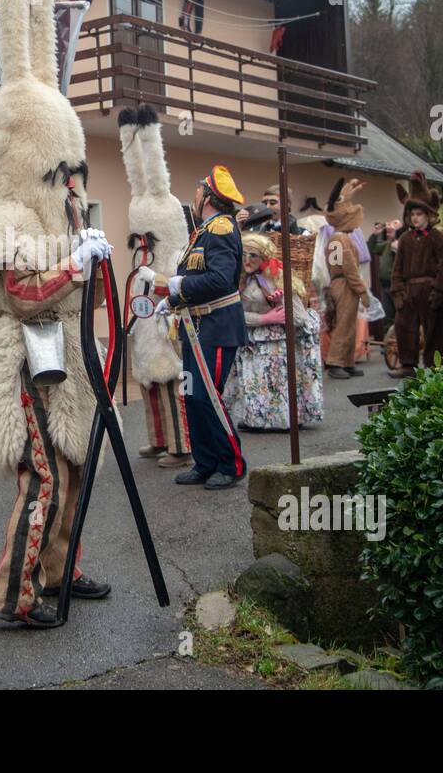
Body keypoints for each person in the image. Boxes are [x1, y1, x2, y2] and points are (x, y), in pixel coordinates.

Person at [0, 0, 114, 627]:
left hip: (67, 359)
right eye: (59, 168)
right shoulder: (9, 216)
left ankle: (62, 570)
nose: (69, 179)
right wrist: (73, 264)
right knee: (45, 478)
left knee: (77, 469)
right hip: (26, 360)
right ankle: (17, 592)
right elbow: (21, 292)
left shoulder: (59, 213)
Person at [162, 165, 247, 490]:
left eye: (199, 189)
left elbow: (220, 279)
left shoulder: (221, 228)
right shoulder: (203, 231)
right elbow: (196, 282)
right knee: (192, 396)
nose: (194, 195)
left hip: (216, 326)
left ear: (209, 196)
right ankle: (205, 461)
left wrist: (180, 283)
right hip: (196, 327)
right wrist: (171, 300)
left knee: (209, 397)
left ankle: (231, 463)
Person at [118, 104, 191, 468]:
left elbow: (179, 282)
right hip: (145, 317)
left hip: (168, 320)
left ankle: (181, 445)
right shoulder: (141, 252)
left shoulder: (175, 249)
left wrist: (158, 284)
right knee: (149, 380)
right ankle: (158, 438)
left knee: (172, 381)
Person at [224, 231, 323, 430]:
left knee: (275, 383)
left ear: (264, 257)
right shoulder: (237, 280)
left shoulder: (278, 278)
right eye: (244, 254)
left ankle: (282, 420)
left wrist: (280, 303)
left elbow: (299, 318)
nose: (247, 260)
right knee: (253, 383)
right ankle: (256, 420)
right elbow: (231, 315)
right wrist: (264, 318)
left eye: (253, 255)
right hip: (249, 344)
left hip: (277, 345)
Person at [389, 172, 443, 378]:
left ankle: (434, 366)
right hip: (409, 289)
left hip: (429, 288)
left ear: (429, 215)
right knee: (405, 327)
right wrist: (398, 291)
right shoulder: (405, 239)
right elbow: (397, 268)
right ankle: (408, 364)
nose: (415, 218)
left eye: (419, 214)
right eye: (412, 214)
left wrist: (439, 291)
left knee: (433, 329)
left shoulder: (438, 238)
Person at [322, 178, 371, 379]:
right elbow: (350, 268)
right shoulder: (340, 239)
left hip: (341, 283)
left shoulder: (338, 238)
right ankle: (335, 362)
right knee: (343, 324)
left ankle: (347, 361)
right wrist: (362, 290)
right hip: (344, 284)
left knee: (349, 323)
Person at [237, 185, 305, 235]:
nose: (267, 206)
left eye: (273, 203)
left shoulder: (302, 232)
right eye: (264, 203)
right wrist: (240, 226)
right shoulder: (256, 228)